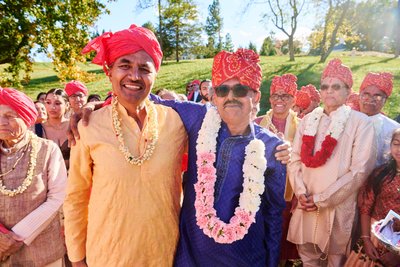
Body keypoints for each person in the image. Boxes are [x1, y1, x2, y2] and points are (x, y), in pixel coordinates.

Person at [63, 24, 188, 267]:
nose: (134, 75)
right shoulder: (89, 125)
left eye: (144, 68)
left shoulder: (176, 122)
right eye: (125, 65)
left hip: (165, 253)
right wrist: (77, 257)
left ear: (155, 75)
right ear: (109, 72)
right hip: (108, 254)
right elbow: (76, 196)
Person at [150, 48, 287, 266]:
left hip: (245, 258)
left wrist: (271, 262)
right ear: (215, 96)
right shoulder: (199, 119)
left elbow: (273, 213)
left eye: (240, 90)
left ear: (256, 96)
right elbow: (148, 101)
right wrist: (92, 106)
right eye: (223, 90)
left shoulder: (272, 147)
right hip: (191, 256)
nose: (231, 96)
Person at [288, 58, 377, 266]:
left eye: (336, 87)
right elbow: (295, 160)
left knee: (335, 259)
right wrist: (301, 192)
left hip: (336, 205)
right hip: (306, 203)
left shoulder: (361, 123)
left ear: (348, 91)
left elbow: (360, 171)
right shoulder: (309, 120)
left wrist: (321, 199)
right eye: (325, 87)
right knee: (307, 256)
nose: (329, 91)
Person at [0, 87, 67, 266]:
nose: (1, 122)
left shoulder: (47, 149)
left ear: (26, 117)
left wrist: (16, 237)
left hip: (43, 253)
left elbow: (57, 197)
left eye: (9, 116)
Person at [255, 73, 301, 265]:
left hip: (291, 192)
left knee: (282, 235)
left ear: (293, 100)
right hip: (260, 191)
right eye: (276, 95)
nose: (279, 100)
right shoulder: (257, 123)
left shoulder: (304, 126)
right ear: (270, 98)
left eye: (286, 96)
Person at [345, 128, 400, 267]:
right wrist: (366, 240)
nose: (399, 149)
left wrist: (397, 253)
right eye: (397, 143)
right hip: (375, 238)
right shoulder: (380, 174)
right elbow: (366, 208)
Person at [358, 72, 399, 167]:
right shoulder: (345, 120)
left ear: (385, 100)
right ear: (359, 96)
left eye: (377, 96)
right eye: (366, 94)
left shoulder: (394, 129)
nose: (370, 99)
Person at [39, 89, 70, 168]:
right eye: (48, 103)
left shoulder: (74, 126)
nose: (52, 107)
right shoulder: (37, 129)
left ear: (67, 105)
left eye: (57, 103)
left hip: (74, 177)